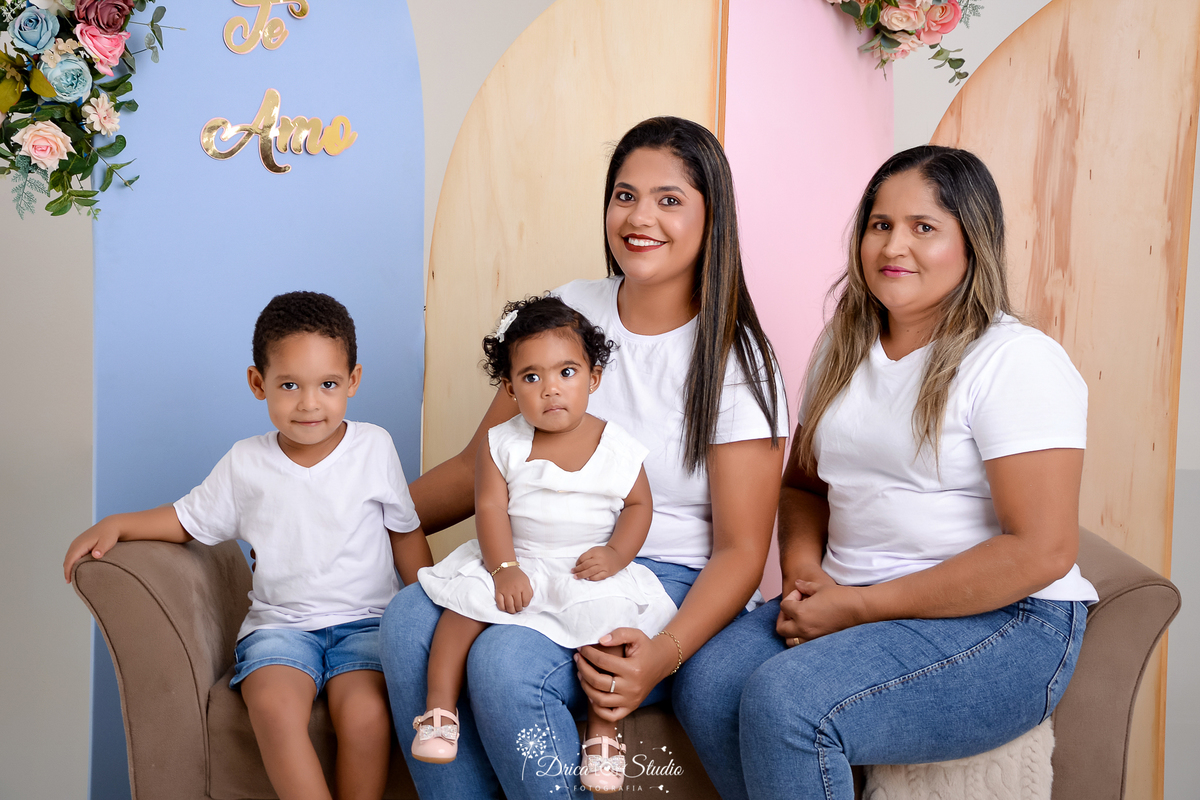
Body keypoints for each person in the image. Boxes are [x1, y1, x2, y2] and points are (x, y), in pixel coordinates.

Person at [380, 116, 789, 799]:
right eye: (625, 195)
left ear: (713, 217)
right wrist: (366, 512)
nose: (639, 217)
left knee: (505, 662)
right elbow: (482, 464)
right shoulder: (566, 311)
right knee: (405, 625)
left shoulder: (737, 360)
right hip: (538, 553)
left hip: (660, 576)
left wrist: (663, 655)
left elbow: (742, 553)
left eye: (668, 199)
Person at [673, 145, 1098, 800]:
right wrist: (807, 575)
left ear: (972, 241)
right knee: (707, 685)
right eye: (880, 224)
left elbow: (1042, 550)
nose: (894, 245)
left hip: (1007, 621)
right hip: (852, 592)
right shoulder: (843, 347)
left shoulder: (1016, 361)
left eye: (924, 227)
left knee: (788, 703)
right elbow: (804, 486)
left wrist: (859, 607)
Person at [63, 291, 434, 800]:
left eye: (328, 384)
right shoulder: (245, 462)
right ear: (259, 384)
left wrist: (427, 610)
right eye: (289, 385)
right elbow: (186, 519)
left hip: (367, 624)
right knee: (274, 708)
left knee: (366, 715)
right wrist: (119, 523)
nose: (309, 403)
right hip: (280, 628)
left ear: (353, 380)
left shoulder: (374, 446)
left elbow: (405, 531)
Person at [411, 295, 678, 793]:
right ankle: (439, 711)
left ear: (593, 379)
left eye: (566, 373)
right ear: (510, 388)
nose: (550, 389)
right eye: (531, 377)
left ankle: (603, 734)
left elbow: (639, 505)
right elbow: (490, 509)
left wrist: (617, 554)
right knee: (460, 612)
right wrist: (503, 567)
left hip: (585, 566)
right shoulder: (503, 443)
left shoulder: (617, 447)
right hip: (518, 557)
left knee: (608, 637)